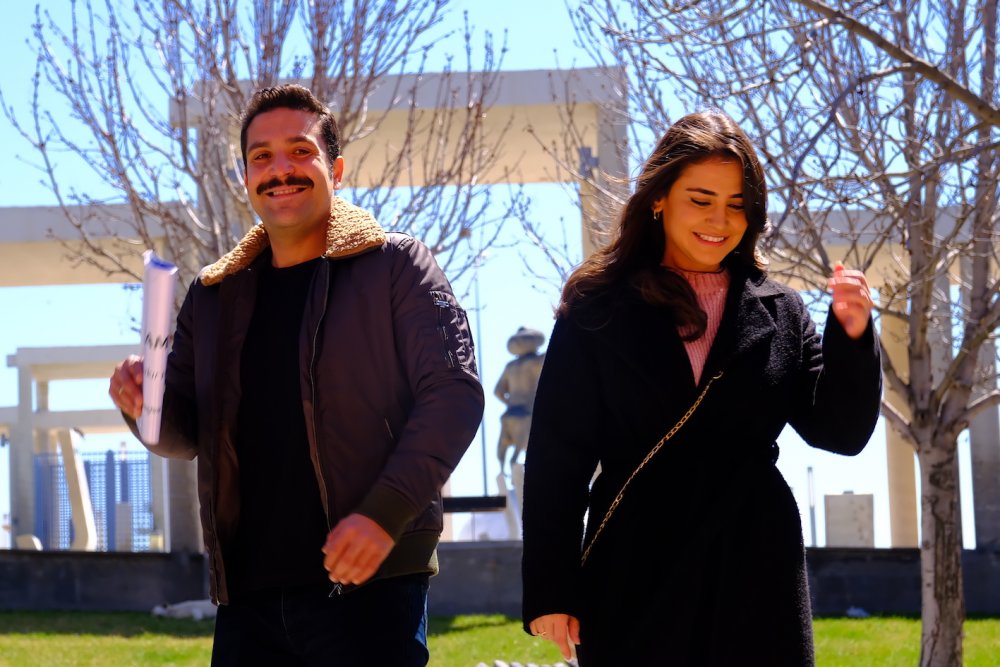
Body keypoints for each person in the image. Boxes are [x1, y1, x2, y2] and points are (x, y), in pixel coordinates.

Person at [109, 84, 484, 666]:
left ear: (336, 168)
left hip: (369, 590)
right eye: (261, 156)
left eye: (300, 151)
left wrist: (384, 514)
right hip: (247, 600)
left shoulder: (396, 265)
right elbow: (184, 435)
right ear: (245, 177)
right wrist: (142, 407)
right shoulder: (213, 296)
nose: (280, 169)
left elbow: (453, 395)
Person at [520, 110, 882, 666]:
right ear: (658, 198)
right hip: (633, 572)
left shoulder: (782, 310)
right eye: (701, 199)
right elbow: (556, 460)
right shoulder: (596, 309)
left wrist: (852, 339)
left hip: (756, 571)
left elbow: (841, 432)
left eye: (737, 203)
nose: (720, 219)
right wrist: (552, 589)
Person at [494, 326, 546, 474]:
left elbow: (498, 392)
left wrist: (510, 403)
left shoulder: (510, 366)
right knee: (526, 450)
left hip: (509, 413)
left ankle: (502, 472)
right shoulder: (536, 362)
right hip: (527, 414)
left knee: (504, 445)